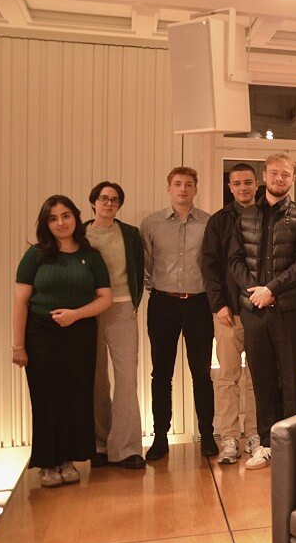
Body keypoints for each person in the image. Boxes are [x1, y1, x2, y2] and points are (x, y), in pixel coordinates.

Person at [13, 195, 112, 488]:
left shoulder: (91, 256)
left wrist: (76, 314)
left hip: (80, 334)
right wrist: (18, 346)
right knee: (46, 399)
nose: (60, 223)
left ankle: (68, 460)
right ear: (46, 224)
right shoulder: (36, 255)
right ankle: (47, 463)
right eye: (53, 218)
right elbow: (20, 302)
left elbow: (105, 298)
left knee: (75, 397)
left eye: (65, 216)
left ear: (75, 218)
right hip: (40, 335)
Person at [230, 152, 296, 470]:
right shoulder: (245, 215)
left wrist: (271, 290)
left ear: (293, 179)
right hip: (254, 311)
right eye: (274, 173)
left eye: (286, 174)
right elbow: (234, 260)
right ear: (264, 176)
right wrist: (255, 292)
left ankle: (294, 446)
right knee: (262, 380)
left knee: (292, 380)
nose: (279, 178)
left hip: (288, 310)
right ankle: (266, 445)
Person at [140, 166, 215, 460]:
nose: (183, 189)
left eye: (188, 184)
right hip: (163, 304)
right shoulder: (151, 223)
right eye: (178, 184)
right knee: (161, 373)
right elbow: (147, 263)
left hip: (199, 304)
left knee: (201, 373)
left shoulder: (209, 222)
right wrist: (159, 289)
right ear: (169, 188)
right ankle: (160, 436)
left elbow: (214, 264)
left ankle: (207, 435)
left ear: (196, 189)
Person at [83, 182, 145, 469]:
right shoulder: (80, 233)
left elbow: (138, 268)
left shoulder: (130, 234)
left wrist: (133, 302)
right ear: (93, 202)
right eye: (104, 198)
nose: (109, 203)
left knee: (126, 379)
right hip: (88, 311)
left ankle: (125, 448)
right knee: (95, 378)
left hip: (121, 308)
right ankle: (100, 445)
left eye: (115, 200)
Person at [202, 164, 260, 465]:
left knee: (256, 376)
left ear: (257, 184)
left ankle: (254, 433)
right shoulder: (219, 221)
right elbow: (209, 266)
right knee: (227, 377)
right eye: (237, 183)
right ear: (230, 186)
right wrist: (218, 304)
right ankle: (228, 437)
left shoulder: (267, 216)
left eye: (248, 182)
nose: (243, 188)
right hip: (228, 311)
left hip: (259, 311)